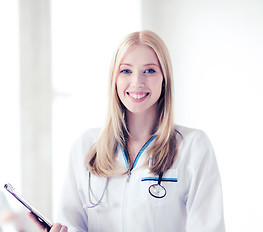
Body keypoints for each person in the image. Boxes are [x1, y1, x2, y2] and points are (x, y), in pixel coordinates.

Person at [32, 30, 226, 232]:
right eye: (126, 71)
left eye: (150, 71)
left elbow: (209, 227)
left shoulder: (193, 146)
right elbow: (72, 224)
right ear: (114, 79)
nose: (137, 82)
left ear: (164, 79)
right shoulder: (86, 146)